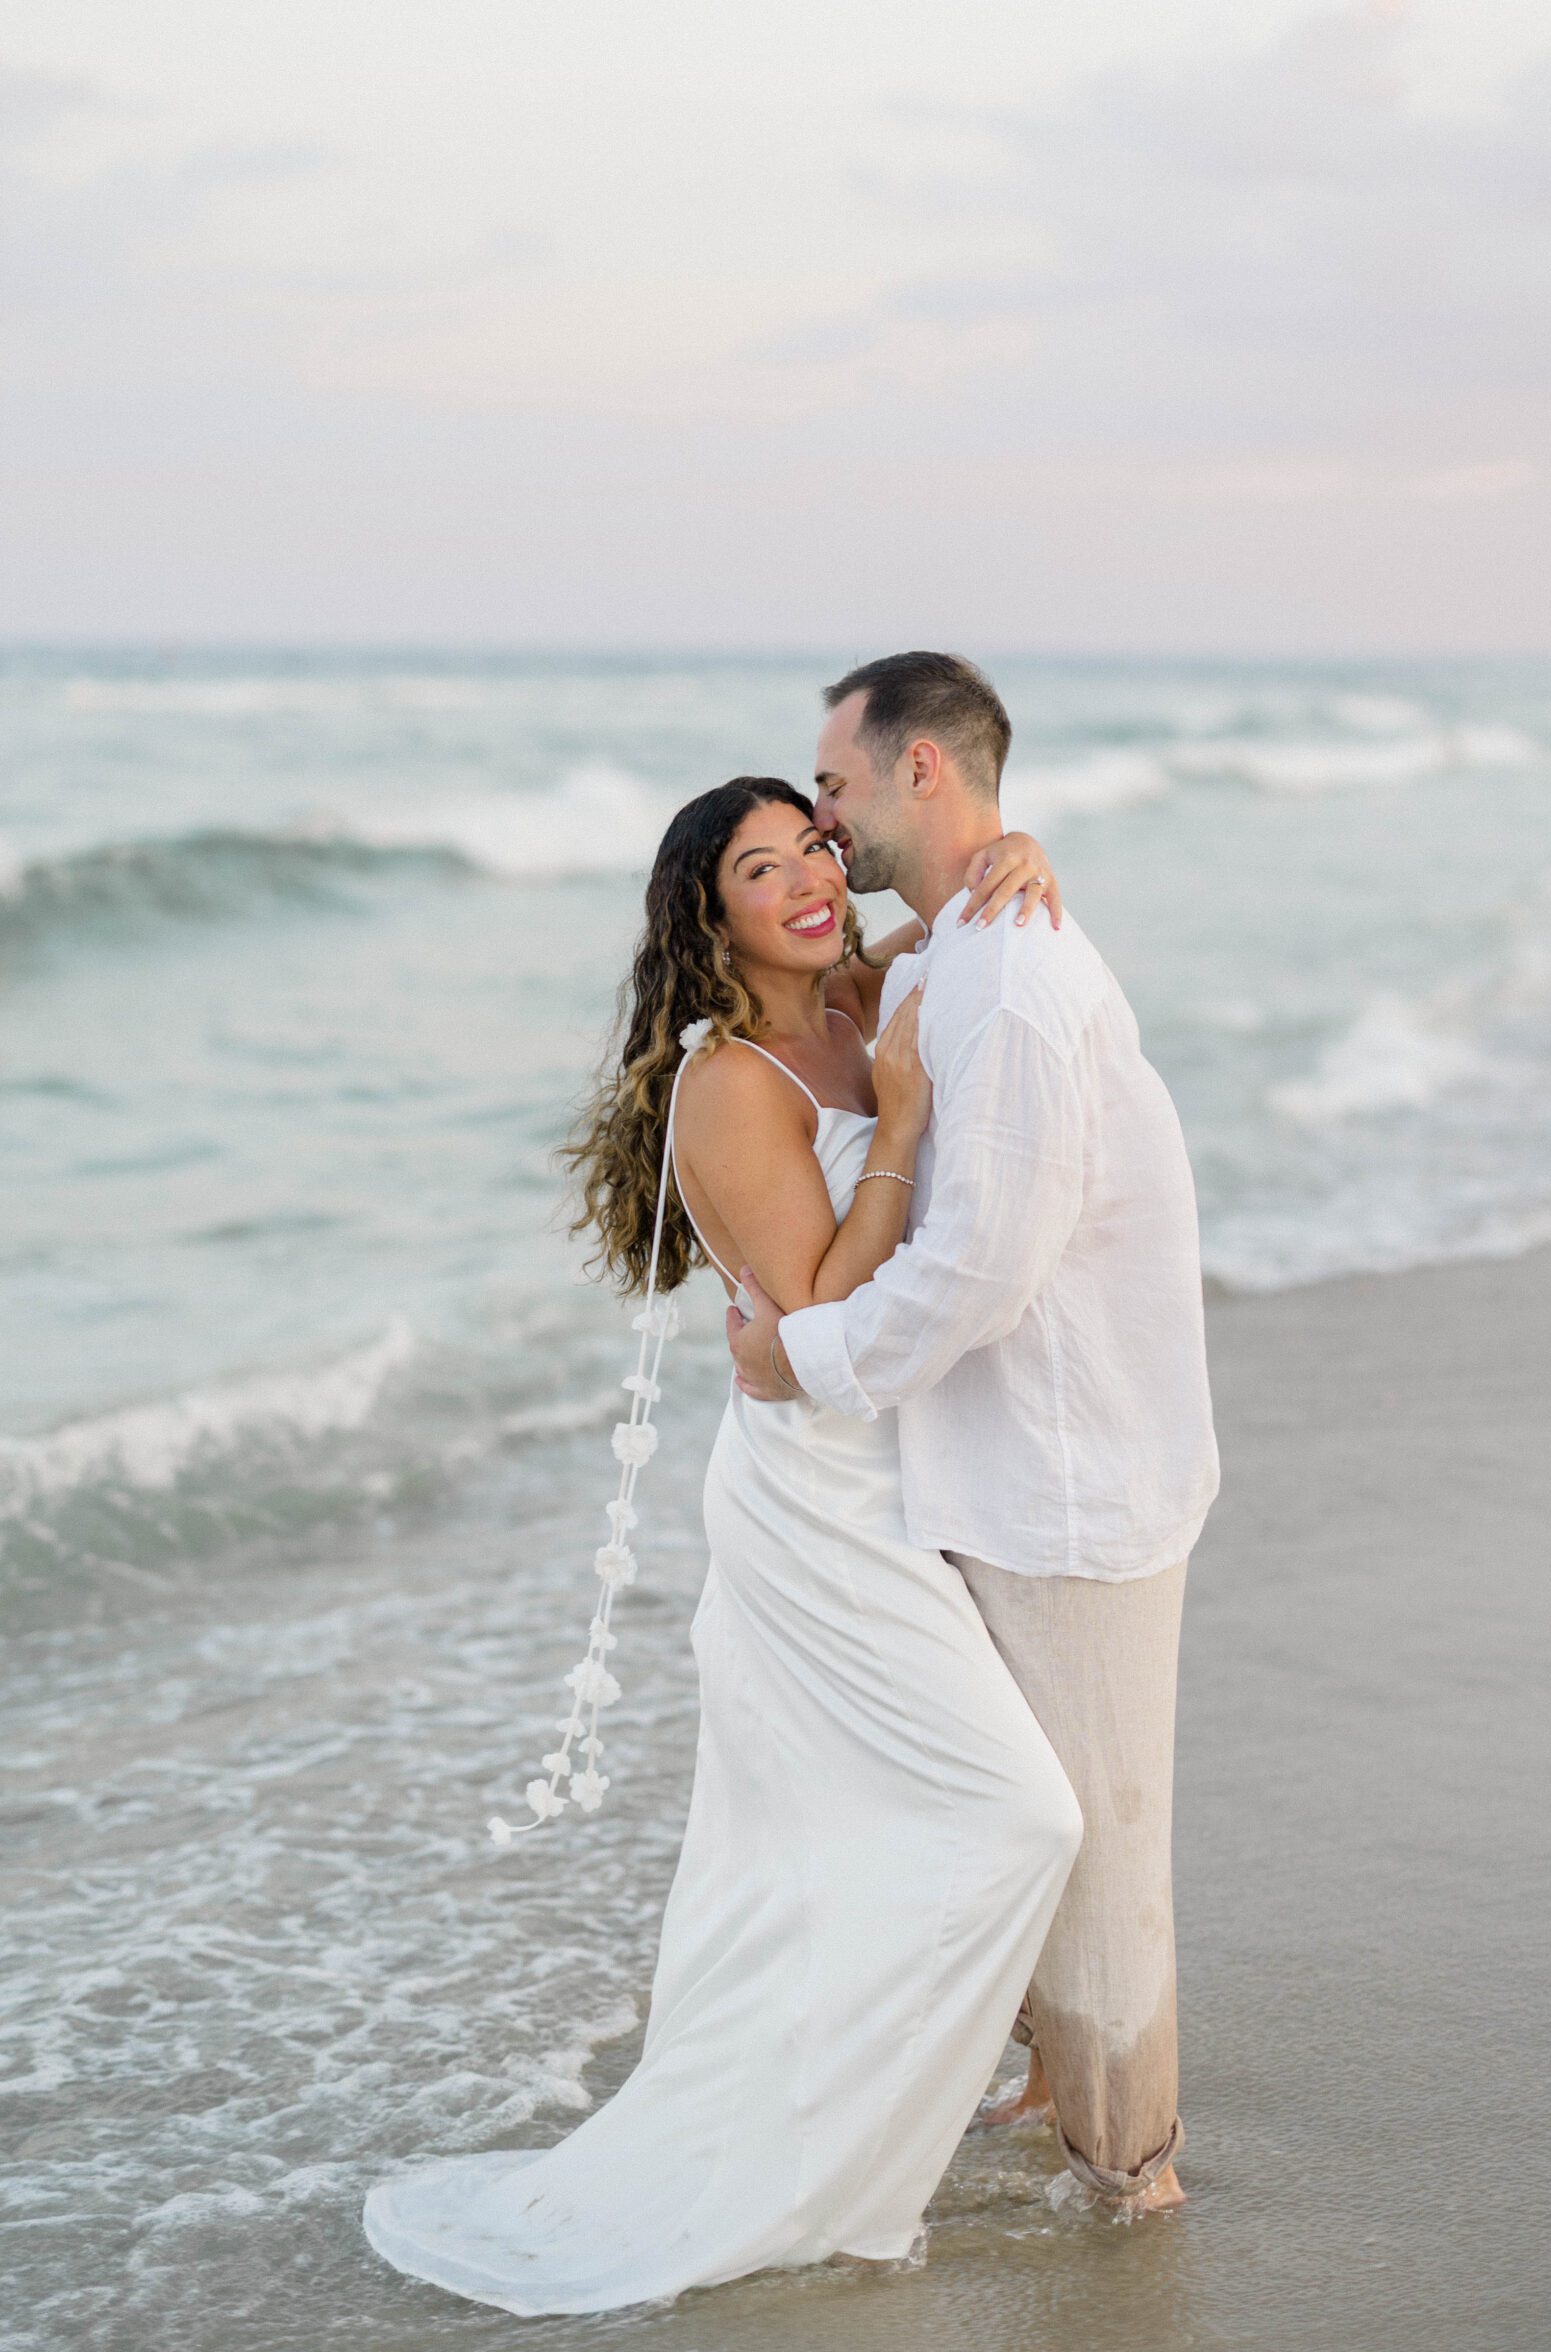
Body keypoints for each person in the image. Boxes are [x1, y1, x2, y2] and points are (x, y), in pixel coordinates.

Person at [362, 776, 1083, 2316]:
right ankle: (819, 2143)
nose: (816, 877)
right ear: (713, 913)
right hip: (821, 1500)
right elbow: (815, 1311)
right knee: (1020, 1814)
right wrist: (900, 1117)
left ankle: (881, 2102)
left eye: (818, 843)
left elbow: (965, 928)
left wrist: (1014, 857)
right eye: (767, 868)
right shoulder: (732, 1081)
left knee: (836, 1835)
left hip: (920, 1465)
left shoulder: (864, 990)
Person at [728, 651, 1220, 2210]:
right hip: (993, 1463)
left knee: (1102, 1850)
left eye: (837, 784)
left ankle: (1130, 2175)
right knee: (1024, 1816)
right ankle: (1046, 2081)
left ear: (921, 771)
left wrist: (805, 1356)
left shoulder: (1005, 974)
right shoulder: (949, 948)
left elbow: (984, 1273)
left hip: (1072, 1475)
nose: (824, 815)